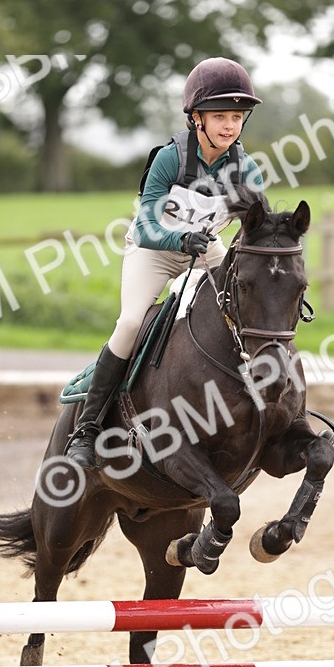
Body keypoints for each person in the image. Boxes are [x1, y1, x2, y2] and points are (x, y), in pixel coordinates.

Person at [65, 56, 265, 468]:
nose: (230, 126)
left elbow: (256, 230)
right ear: (196, 118)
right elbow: (146, 228)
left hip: (206, 251)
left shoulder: (246, 170)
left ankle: (259, 402)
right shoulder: (170, 158)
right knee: (130, 323)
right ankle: (86, 429)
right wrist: (181, 239)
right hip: (154, 252)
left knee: (244, 310)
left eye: (236, 117)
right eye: (220, 116)